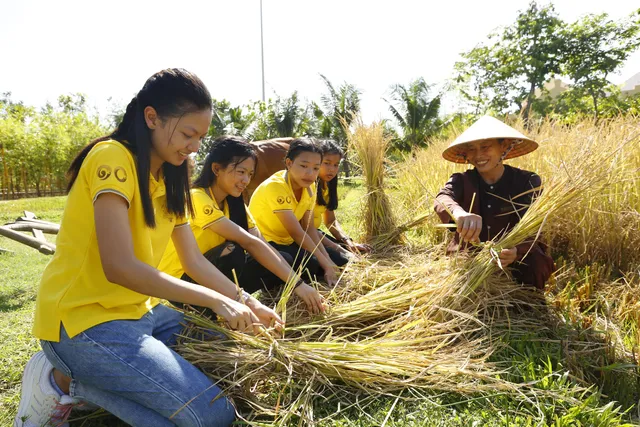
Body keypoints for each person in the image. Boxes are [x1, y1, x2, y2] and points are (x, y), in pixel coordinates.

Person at [14, 68, 282, 427]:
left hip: (146, 313)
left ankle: (83, 380)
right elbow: (119, 266)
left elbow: (194, 261)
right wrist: (217, 301)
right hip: (84, 323)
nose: (195, 147)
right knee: (212, 416)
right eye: (188, 134)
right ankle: (64, 381)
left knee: (232, 366)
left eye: (200, 137)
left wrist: (248, 301)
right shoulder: (112, 158)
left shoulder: (174, 173)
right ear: (151, 117)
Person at [158, 135, 325, 314]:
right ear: (216, 169)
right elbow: (248, 242)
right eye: (240, 172)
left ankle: (242, 301)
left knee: (284, 258)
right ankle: (216, 309)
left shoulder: (235, 203)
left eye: (250, 174)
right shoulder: (197, 198)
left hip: (215, 271)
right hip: (184, 282)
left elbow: (260, 243)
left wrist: (294, 279)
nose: (246, 180)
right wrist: (298, 284)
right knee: (234, 251)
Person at [434, 115, 555, 290]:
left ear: (503, 146)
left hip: (514, 255)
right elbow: (442, 198)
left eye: (485, 147)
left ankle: (528, 306)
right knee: (459, 278)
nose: (478, 155)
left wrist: (516, 251)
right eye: (471, 149)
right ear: (466, 154)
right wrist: (459, 214)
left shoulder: (527, 182)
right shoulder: (461, 180)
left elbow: (535, 227)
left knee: (535, 264)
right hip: (472, 256)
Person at [249, 138, 340, 286]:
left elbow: (309, 229)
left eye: (316, 168)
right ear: (289, 163)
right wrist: (326, 264)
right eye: (304, 166)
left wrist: (328, 261)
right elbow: (297, 232)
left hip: (289, 242)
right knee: (309, 264)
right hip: (267, 243)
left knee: (336, 260)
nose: (310, 173)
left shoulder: (309, 189)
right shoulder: (275, 187)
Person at [314, 139, 371, 257]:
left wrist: (348, 242)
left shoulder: (327, 186)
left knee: (349, 255)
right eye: (327, 163)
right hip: (303, 236)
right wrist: (343, 250)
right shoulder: (307, 187)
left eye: (336, 165)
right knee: (343, 258)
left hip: (315, 234)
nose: (332, 169)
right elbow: (304, 229)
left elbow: (330, 221)